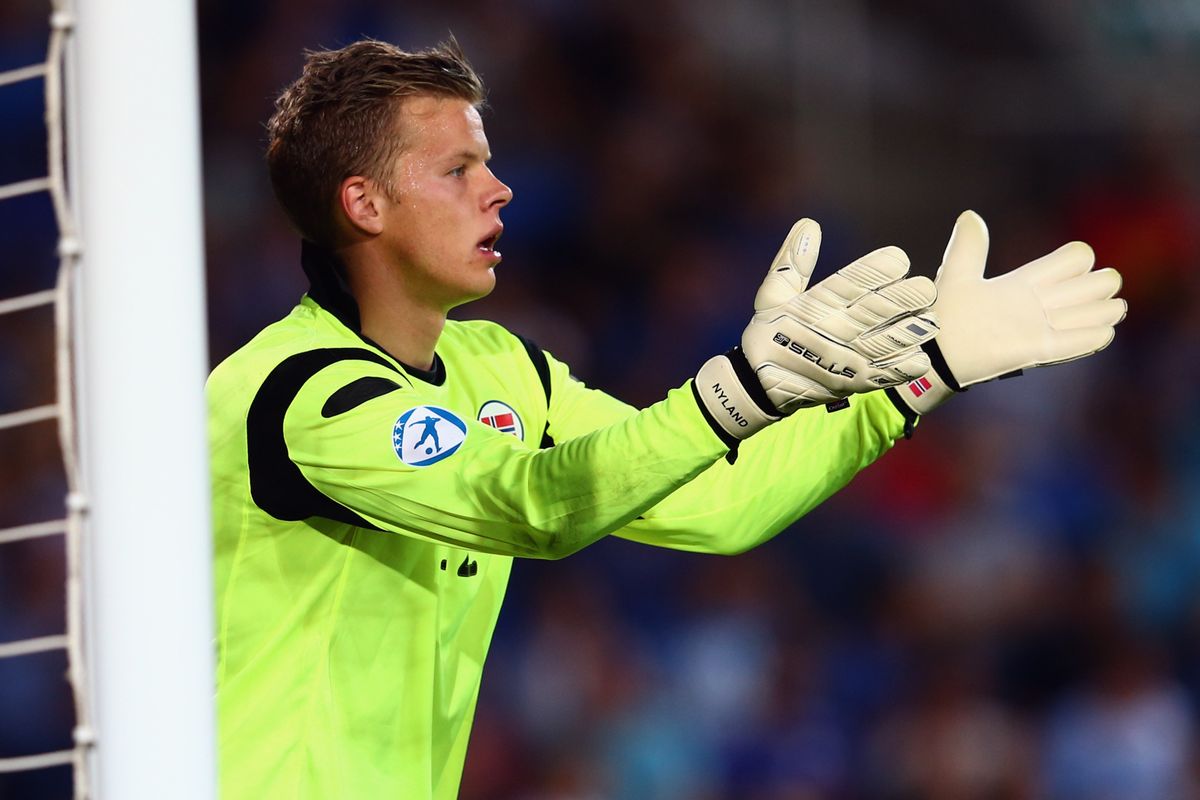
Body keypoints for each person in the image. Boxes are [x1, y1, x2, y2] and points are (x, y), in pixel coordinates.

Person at [206, 38, 1125, 799]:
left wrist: (918, 379)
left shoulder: (499, 368)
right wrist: (736, 394)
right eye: (457, 169)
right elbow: (531, 505)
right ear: (363, 202)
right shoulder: (298, 395)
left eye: (489, 162)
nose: (500, 190)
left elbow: (725, 503)